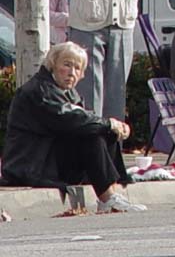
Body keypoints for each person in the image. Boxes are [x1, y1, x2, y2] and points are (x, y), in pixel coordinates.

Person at [1, 42, 146, 213]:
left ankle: (112, 194)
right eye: (67, 65)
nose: (72, 72)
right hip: (32, 165)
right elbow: (69, 119)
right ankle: (107, 199)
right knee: (92, 133)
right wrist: (109, 124)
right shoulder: (39, 90)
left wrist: (113, 127)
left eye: (77, 68)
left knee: (103, 131)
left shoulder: (66, 91)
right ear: (53, 64)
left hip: (53, 159)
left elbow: (82, 119)